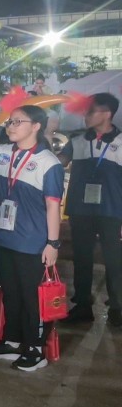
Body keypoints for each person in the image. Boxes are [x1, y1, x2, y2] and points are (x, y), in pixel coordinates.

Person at [0, 105, 64, 371]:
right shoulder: (1, 153)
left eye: (18, 122)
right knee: (10, 292)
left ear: (36, 126)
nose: (11, 126)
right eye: (9, 122)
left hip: (31, 241)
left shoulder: (48, 162)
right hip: (2, 238)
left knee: (31, 296)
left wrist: (53, 243)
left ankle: (35, 349)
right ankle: (12, 343)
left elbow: (52, 206)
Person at [58, 92, 122, 328]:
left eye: (91, 111)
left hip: (112, 209)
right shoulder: (77, 141)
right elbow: (59, 162)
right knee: (82, 258)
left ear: (107, 113)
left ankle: (117, 306)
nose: (86, 116)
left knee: (114, 259)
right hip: (80, 209)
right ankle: (82, 304)